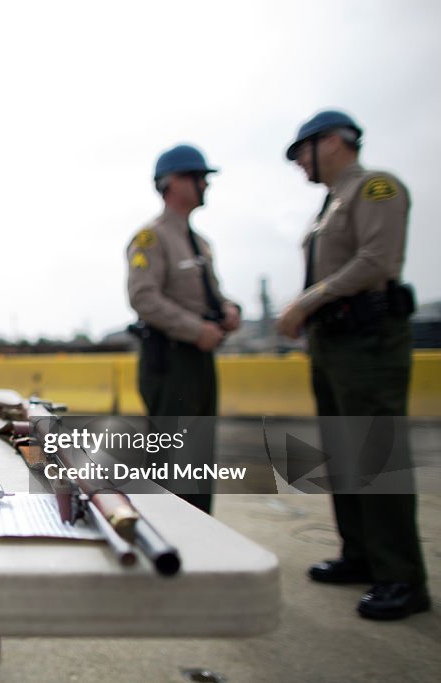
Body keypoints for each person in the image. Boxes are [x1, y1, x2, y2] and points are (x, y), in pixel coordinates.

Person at [277, 110, 429, 620]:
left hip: (368, 340)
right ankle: (361, 554)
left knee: (375, 453)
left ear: (333, 142)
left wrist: (305, 303)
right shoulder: (330, 204)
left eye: (302, 150)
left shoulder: (375, 188)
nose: (299, 161)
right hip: (335, 342)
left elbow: (377, 262)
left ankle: (401, 577)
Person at [125, 144, 241, 514]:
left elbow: (212, 294)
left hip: (199, 358)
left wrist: (228, 310)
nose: (205, 184)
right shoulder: (152, 237)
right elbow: (144, 298)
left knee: (198, 460)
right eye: (197, 177)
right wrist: (195, 329)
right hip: (171, 362)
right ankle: (169, 542)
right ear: (171, 183)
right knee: (172, 464)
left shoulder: (200, 242)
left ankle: (199, 538)